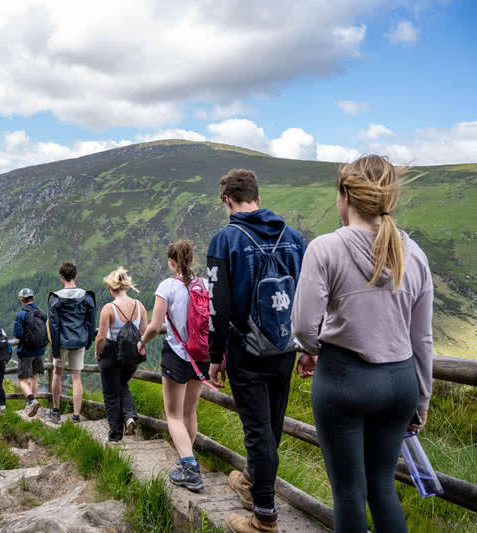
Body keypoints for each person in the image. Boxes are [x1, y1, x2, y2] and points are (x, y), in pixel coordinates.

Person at [292, 155, 433, 533]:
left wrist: (312, 349)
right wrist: (422, 398)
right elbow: (422, 338)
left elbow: (305, 328)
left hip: (344, 380)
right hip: (401, 383)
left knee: (350, 494)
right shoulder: (414, 254)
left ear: (345, 196)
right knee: (382, 487)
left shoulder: (325, 249)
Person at [205, 169, 308, 532]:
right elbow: (308, 297)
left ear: (226, 200)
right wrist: (308, 345)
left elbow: (217, 304)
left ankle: (264, 515)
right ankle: (251, 482)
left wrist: (215, 355)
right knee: (272, 426)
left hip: (244, 349)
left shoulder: (225, 240)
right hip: (285, 347)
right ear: (257, 196)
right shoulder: (294, 238)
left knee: (258, 431)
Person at [139, 240, 210, 492]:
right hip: (201, 354)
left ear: (171, 263)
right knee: (190, 412)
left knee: (173, 415)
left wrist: (142, 341)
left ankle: (189, 468)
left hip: (177, 355)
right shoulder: (205, 285)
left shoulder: (167, 286)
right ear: (192, 260)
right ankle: (186, 460)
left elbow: (155, 326)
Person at [95, 267, 148, 441]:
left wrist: (98, 353)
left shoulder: (109, 308)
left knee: (110, 394)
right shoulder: (139, 306)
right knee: (122, 384)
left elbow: (101, 337)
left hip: (111, 353)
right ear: (126, 286)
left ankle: (115, 436)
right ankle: (129, 416)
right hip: (131, 355)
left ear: (112, 288)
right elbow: (144, 332)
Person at [47, 262, 96, 424]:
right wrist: (88, 342)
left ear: (62, 277)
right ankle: (76, 416)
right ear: (75, 276)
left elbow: (54, 326)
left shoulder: (55, 298)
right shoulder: (86, 296)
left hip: (61, 342)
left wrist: (55, 350)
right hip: (79, 341)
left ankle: (55, 411)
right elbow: (90, 322)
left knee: (57, 374)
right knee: (77, 378)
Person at [14, 288, 48, 417]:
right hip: (40, 350)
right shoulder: (40, 313)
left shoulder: (21, 315)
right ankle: (34, 403)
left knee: (23, 379)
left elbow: (17, 333)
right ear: (32, 298)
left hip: (26, 351)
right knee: (34, 377)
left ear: (22, 299)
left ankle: (32, 401)